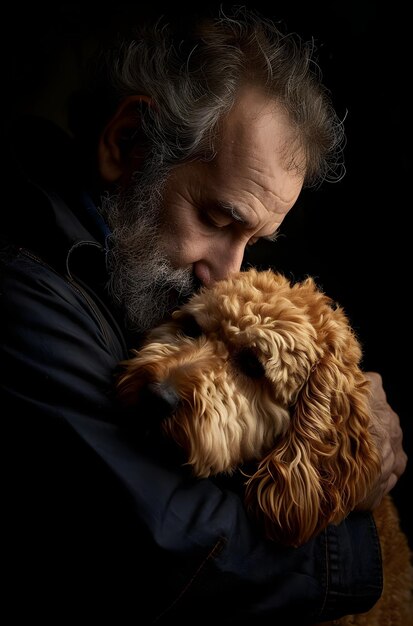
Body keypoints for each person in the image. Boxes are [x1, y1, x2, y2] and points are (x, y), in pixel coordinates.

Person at [1, 5, 407, 624]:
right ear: (126, 142)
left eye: (254, 244)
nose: (228, 275)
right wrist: (350, 533)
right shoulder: (19, 286)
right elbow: (153, 538)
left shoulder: (120, 275)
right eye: (219, 220)